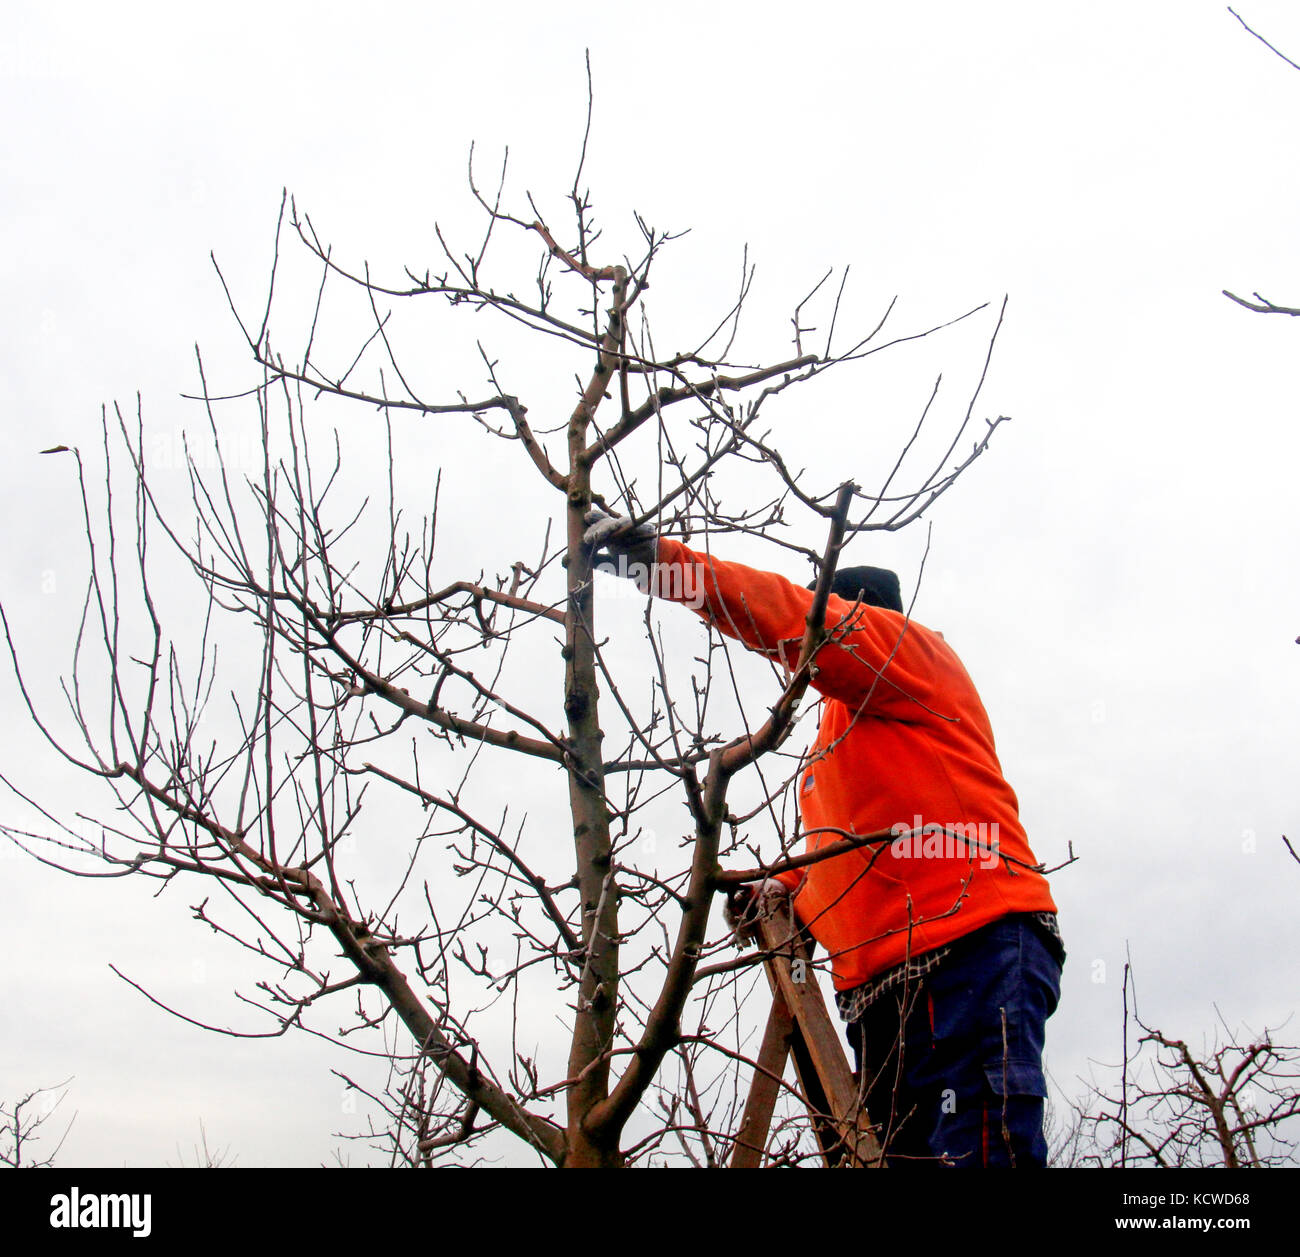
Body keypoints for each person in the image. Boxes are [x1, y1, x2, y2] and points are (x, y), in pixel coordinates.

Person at [586, 512, 1064, 1168]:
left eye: (829, 616)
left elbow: (789, 617)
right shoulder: (832, 745)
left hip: (964, 952)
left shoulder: (908, 652)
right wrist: (779, 891)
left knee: (982, 1153)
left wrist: (659, 565)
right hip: (882, 994)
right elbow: (839, 859)